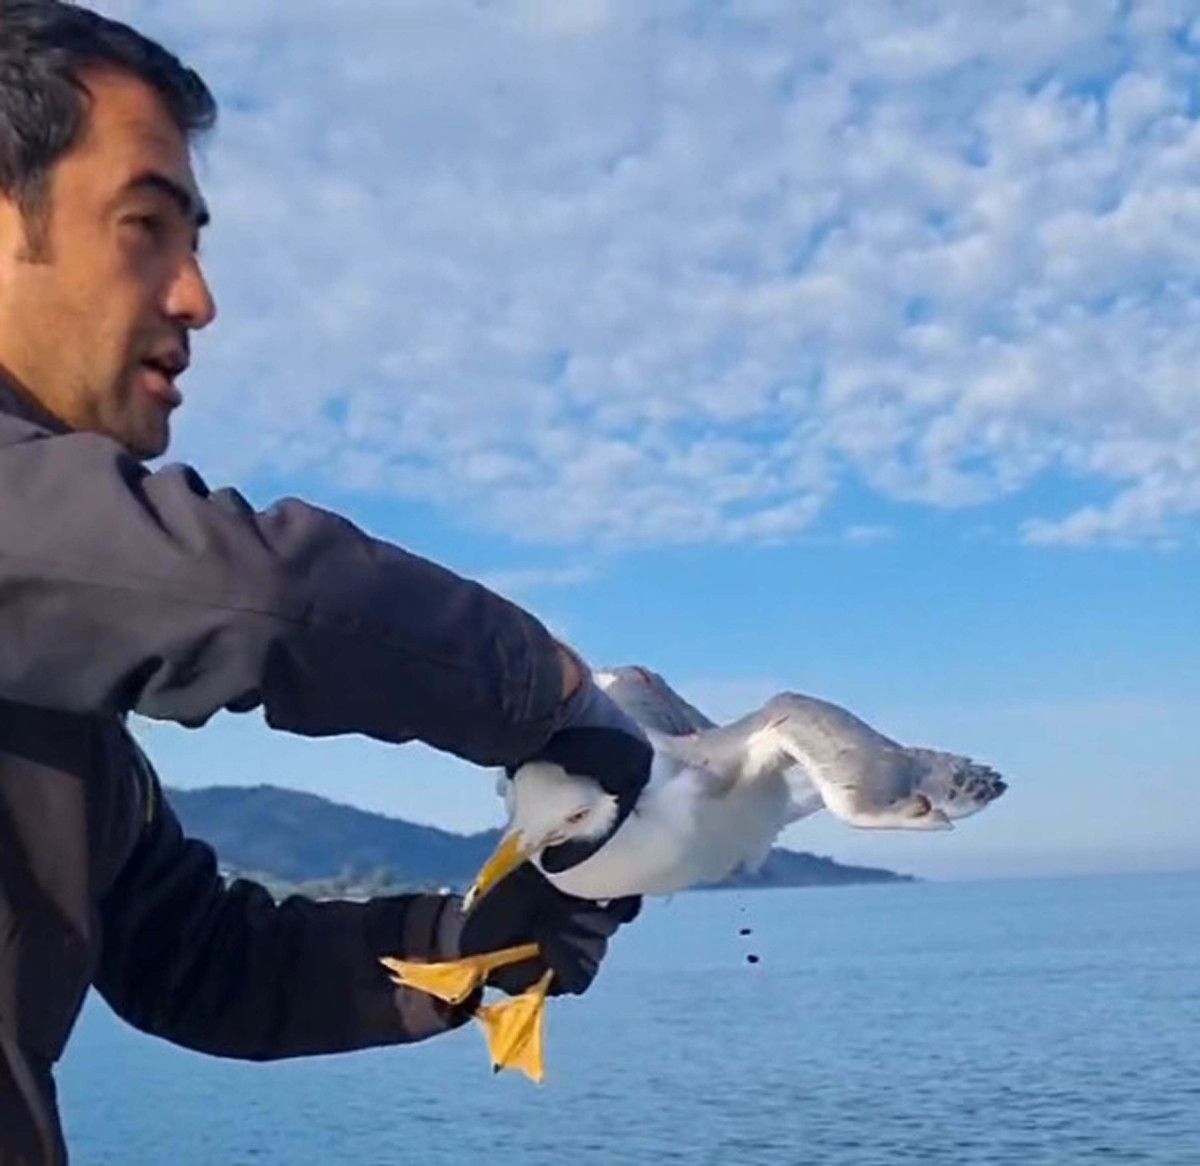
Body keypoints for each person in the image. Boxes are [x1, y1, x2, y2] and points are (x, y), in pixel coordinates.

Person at [0, 3, 651, 1162]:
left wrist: (475, 944)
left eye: (195, 241)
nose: (198, 297)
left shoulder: (48, 687)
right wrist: (553, 696)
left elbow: (203, 961)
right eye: (144, 225)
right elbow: (245, 592)